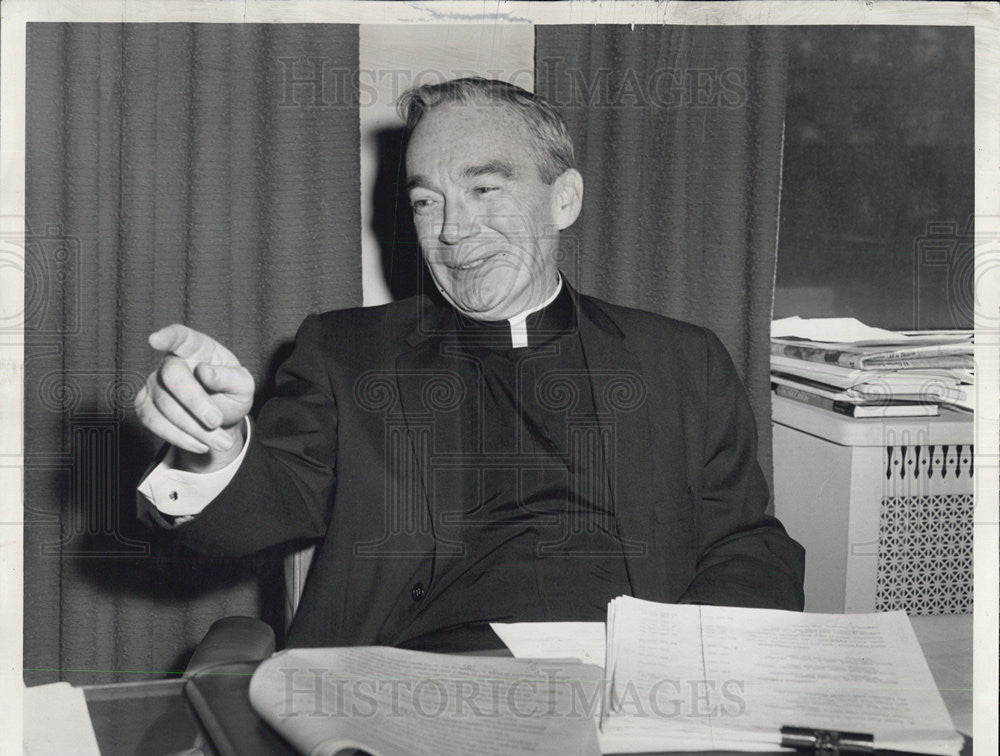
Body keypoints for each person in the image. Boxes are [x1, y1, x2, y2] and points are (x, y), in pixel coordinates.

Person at [135, 77, 804, 651]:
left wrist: (692, 661)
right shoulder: (345, 356)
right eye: (427, 202)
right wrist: (213, 451)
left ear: (563, 199)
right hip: (412, 693)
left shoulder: (681, 360)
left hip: (629, 694)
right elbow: (268, 500)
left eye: (484, 189)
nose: (452, 231)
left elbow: (746, 544)